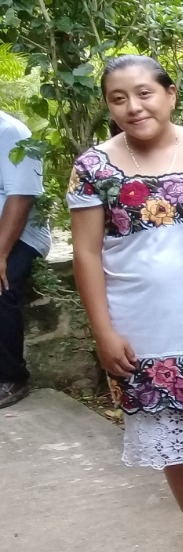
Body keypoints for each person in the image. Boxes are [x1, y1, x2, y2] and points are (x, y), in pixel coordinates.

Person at [68, 56, 183, 552]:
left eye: (144, 93)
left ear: (170, 94)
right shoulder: (94, 167)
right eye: (118, 98)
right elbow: (85, 254)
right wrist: (103, 330)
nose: (133, 106)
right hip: (143, 324)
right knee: (169, 428)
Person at [0, 109, 52, 408]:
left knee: (1, 288)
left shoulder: (12, 133)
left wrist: (1, 254)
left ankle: (11, 377)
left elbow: (21, 198)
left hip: (19, 235)